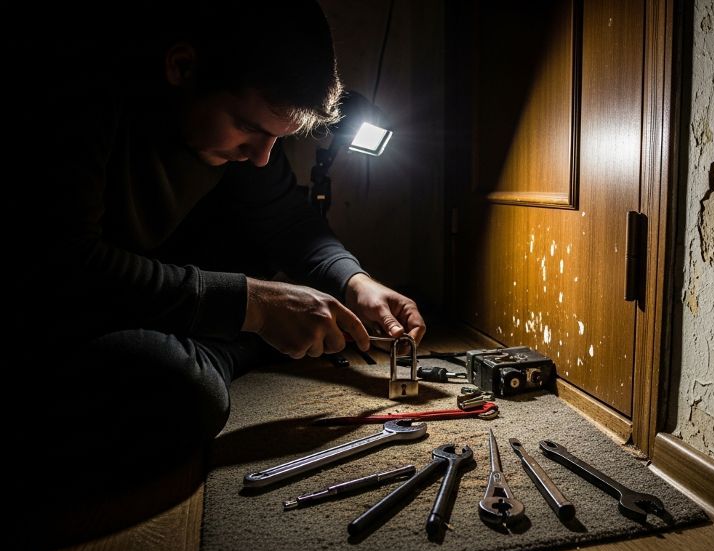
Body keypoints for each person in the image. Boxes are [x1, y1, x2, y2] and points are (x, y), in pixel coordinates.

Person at [12, 0, 425, 488]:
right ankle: (231, 351)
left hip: (147, 305)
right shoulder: (79, 98)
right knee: (176, 389)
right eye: (250, 128)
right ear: (183, 67)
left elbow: (286, 219)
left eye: (277, 139)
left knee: (252, 266)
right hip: (54, 324)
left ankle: (224, 347)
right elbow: (67, 266)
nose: (262, 157)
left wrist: (353, 280)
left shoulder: (236, 133)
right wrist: (253, 305)